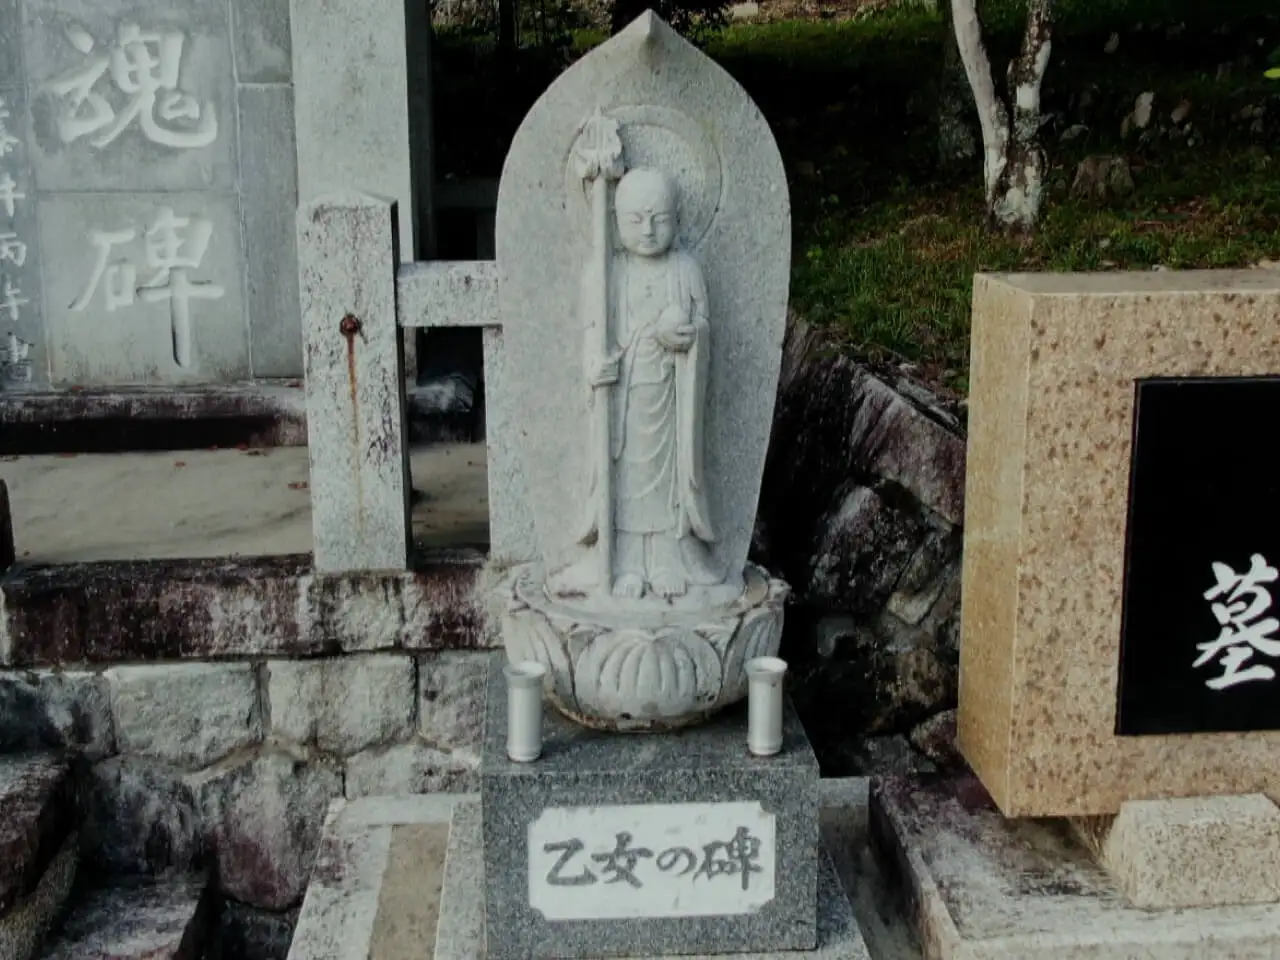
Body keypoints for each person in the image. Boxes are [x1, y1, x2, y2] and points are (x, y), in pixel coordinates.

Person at [575, 167, 721, 600]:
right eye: (636, 220)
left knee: (668, 482)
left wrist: (687, 338)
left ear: (676, 218)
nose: (649, 230)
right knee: (624, 477)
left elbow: (704, 328)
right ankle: (626, 562)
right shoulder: (605, 274)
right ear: (617, 222)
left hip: (672, 399)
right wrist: (594, 366)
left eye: (659, 218)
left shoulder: (685, 269)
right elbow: (590, 334)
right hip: (624, 399)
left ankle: (666, 559)